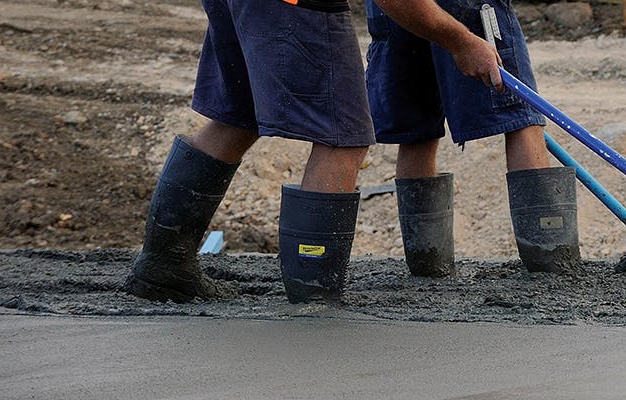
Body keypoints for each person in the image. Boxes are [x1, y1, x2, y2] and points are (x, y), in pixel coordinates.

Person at [125, 0, 507, 304]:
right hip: (300, 5)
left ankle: (163, 263)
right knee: (343, 135)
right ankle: (314, 293)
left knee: (236, 119)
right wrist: (461, 41)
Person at [366, 0, 580, 276]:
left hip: (395, 8)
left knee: (416, 128)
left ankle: (428, 266)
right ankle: (550, 263)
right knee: (520, 117)